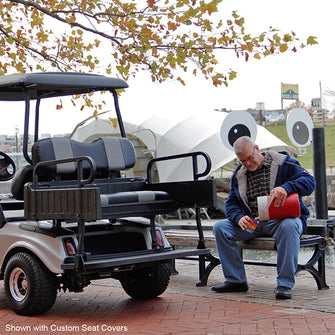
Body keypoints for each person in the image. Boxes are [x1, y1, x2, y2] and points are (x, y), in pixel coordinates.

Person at [212, 136, 316, 299]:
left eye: (250, 158)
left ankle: (284, 284)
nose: (247, 164)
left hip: (280, 222)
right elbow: (231, 203)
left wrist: (286, 187)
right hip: (254, 225)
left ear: (257, 149)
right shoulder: (238, 175)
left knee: (289, 226)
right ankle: (236, 280)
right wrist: (238, 217)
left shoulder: (283, 163)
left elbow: (310, 182)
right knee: (221, 228)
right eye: (242, 161)